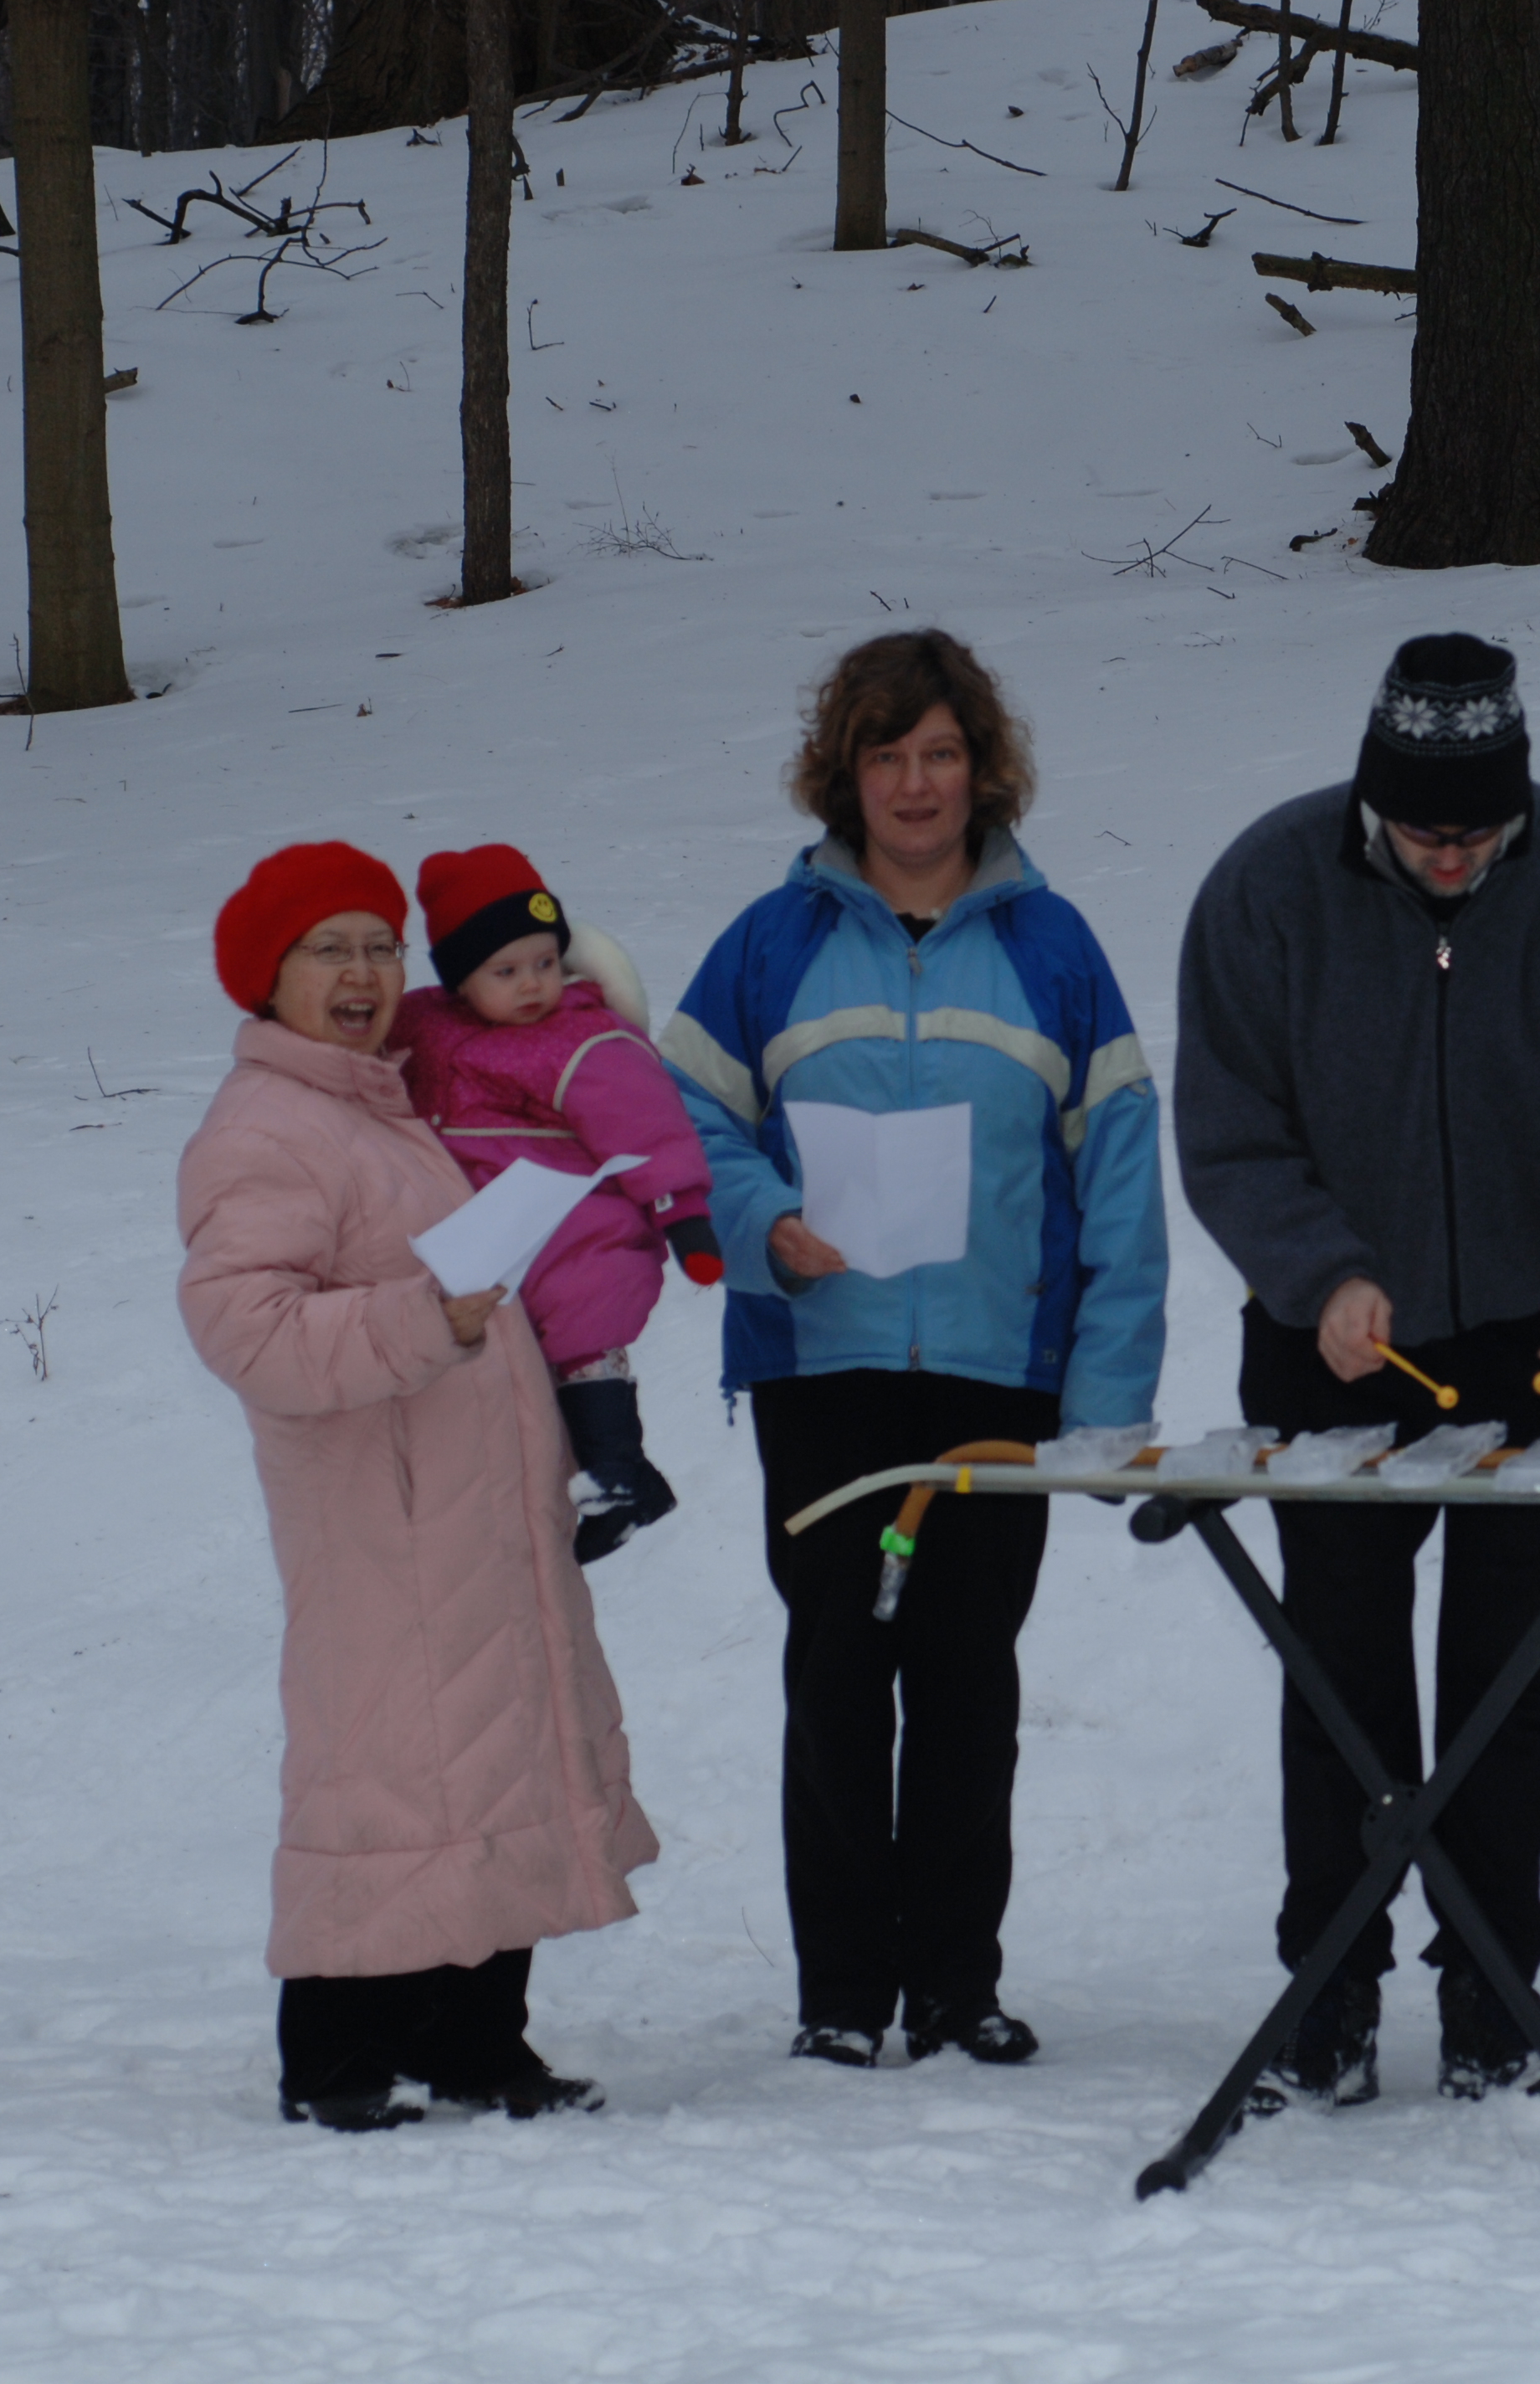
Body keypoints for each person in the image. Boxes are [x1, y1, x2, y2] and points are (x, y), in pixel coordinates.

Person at [1173, 632, 1540, 2109]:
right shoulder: (1266, 886)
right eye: (1425, 830)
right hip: (1334, 1345)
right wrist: (1319, 1271)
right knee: (1338, 1673)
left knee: (1509, 1677)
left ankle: (1492, 1988)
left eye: (1479, 829)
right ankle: (1328, 1987)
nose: (1454, 856)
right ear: (1374, 797)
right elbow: (1228, 1125)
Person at [662, 629, 1169, 2074]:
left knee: (965, 1680)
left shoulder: (1052, 949)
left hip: (994, 1373)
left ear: (981, 767)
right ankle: (840, 1991)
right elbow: (679, 1116)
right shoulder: (771, 943)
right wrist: (761, 1219)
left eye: (940, 753)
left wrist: (1106, 1395)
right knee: (834, 1676)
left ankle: (954, 1983)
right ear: (846, 773)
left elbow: (1121, 1173)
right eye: (886, 755)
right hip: (819, 1368)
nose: (915, 783)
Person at [178, 841, 660, 2133]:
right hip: (378, 1525)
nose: (363, 973)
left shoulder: (390, 1101)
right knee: (383, 1777)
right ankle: (333, 2061)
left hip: (471, 1508)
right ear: (269, 977)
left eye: (381, 947)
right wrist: (420, 1321)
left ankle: (474, 2040)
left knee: (490, 1766)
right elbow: (247, 1330)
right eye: (328, 950)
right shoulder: (268, 1129)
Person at [395, 843, 721, 1564]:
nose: (532, 985)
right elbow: (363, 1041)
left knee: (581, 1318)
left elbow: (649, 1126)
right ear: (460, 981)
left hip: (580, 1223)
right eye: (506, 972)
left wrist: (685, 1217)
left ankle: (619, 1474)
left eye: (545, 962)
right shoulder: (428, 1024)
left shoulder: (583, 1039)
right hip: (487, 1232)